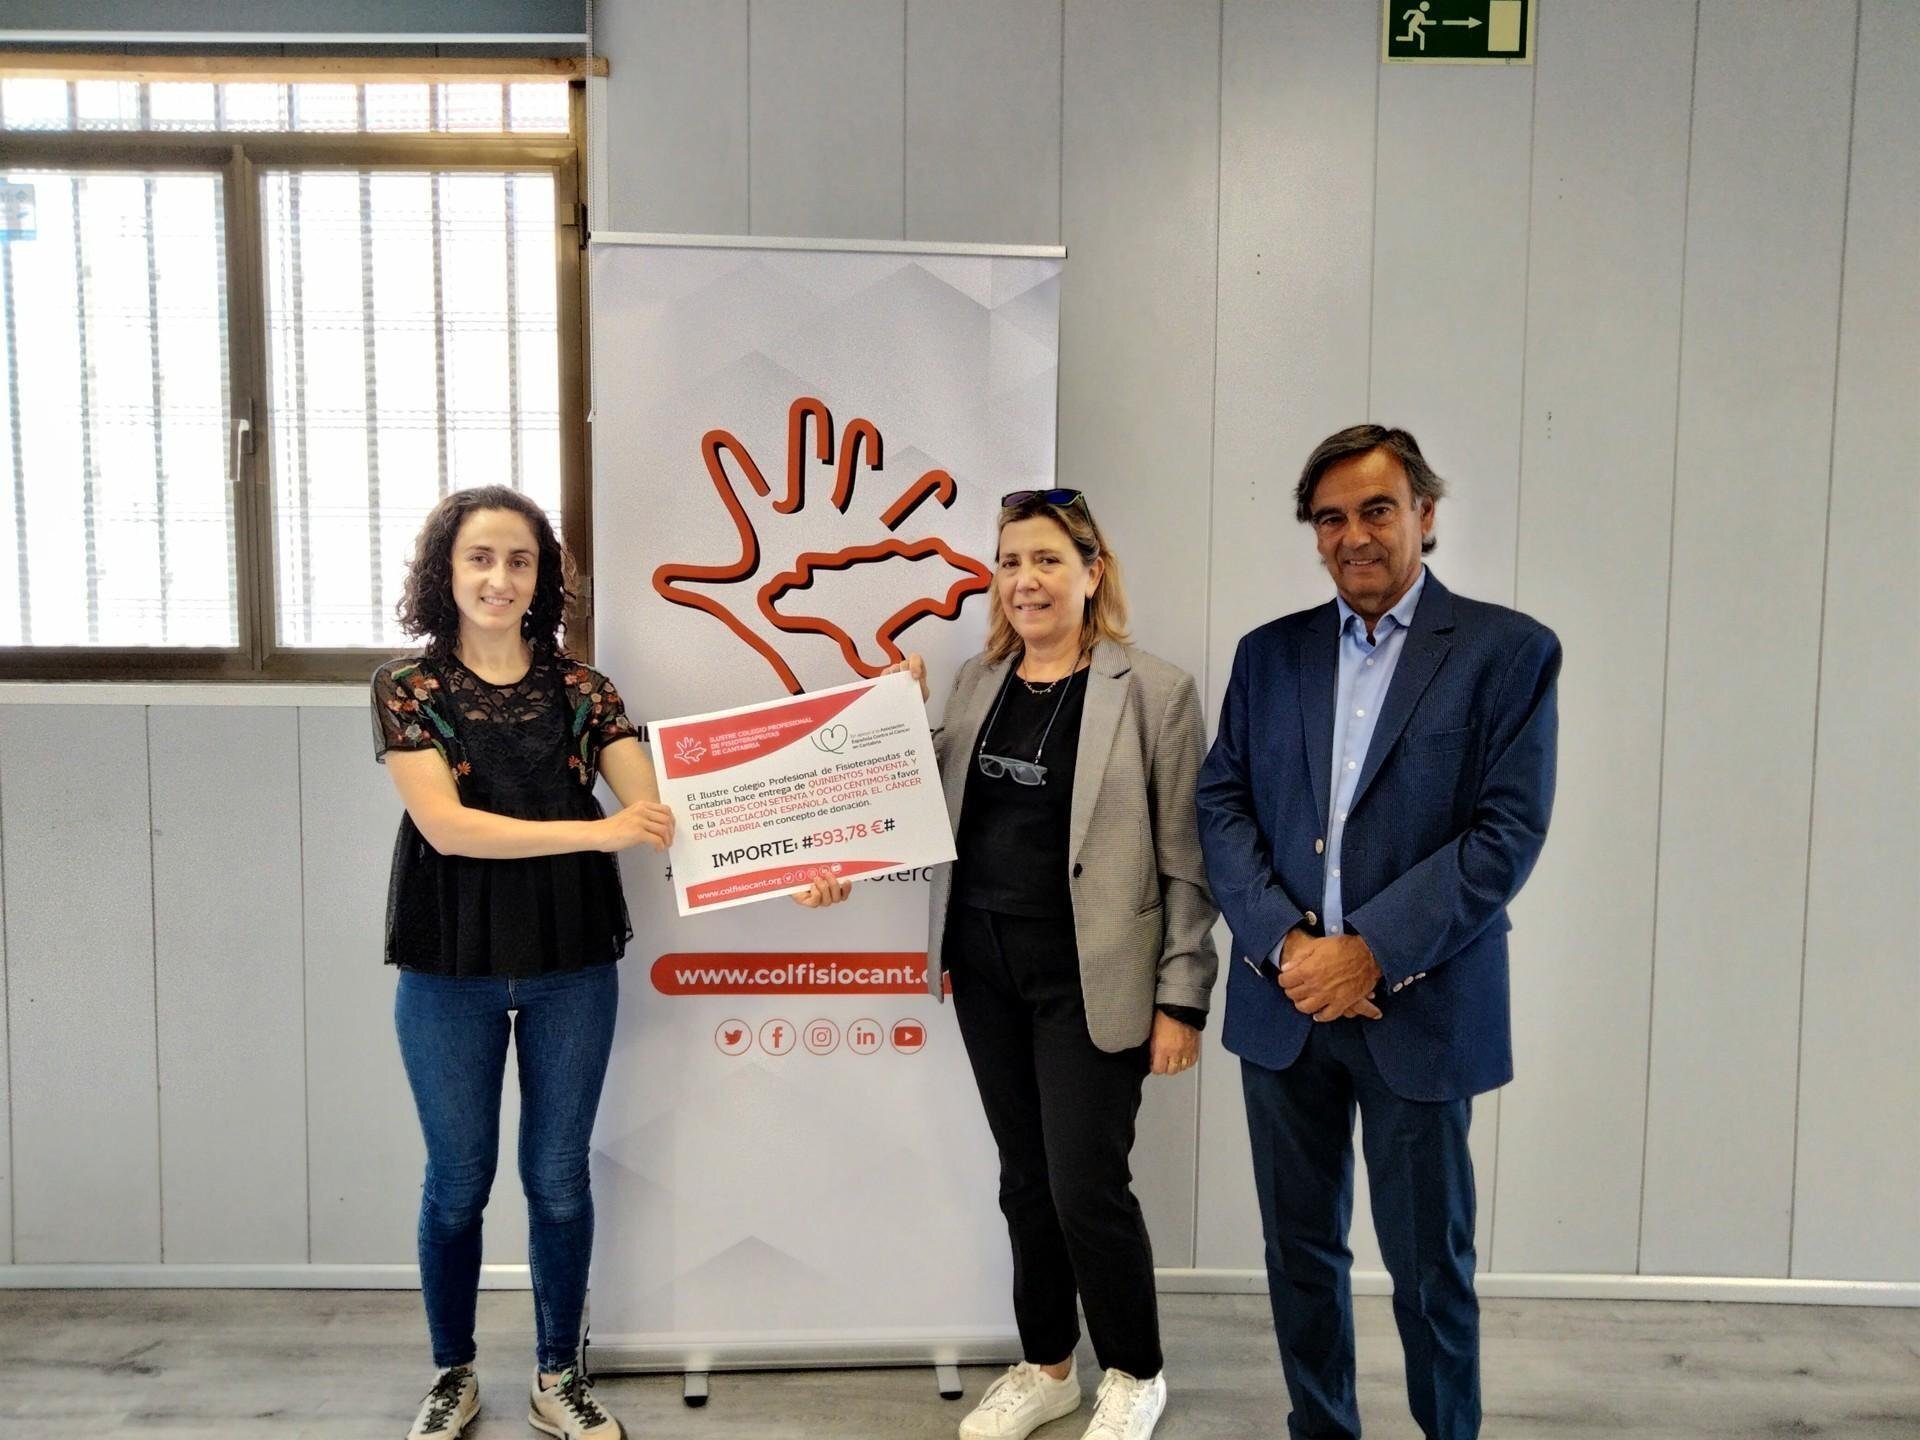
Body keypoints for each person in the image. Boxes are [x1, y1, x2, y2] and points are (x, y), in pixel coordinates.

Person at [811, 488, 1217, 1440]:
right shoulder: (975, 681)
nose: (1025, 581)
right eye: (1010, 563)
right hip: (985, 969)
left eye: (1046, 561)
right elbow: (922, 812)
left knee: (1085, 1184)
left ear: (1092, 573)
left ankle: (1136, 1371)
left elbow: (1188, 863)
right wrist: (846, 824)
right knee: (1025, 1180)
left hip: (1092, 977)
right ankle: (1048, 1367)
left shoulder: (1154, 692)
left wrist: (1183, 999)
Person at [1195, 426, 1560, 1440]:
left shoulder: (1507, 652)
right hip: (1286, 1009)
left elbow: (1506, 833)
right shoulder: (1269, 655)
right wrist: (1288, 947)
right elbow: (1222, 805)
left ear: (1425, 515)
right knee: (1299, 1253)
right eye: (1331, 518)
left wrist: (1371, 953)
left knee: (1431, 1267)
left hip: (1421, 1008)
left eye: (1377, 509)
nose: (1354, 535)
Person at [373, 485, 673, 1440]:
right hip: (448, 961)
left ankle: (557, 1377)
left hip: (571, 958)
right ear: (445, 571)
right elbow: (449, 827)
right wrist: (597, 834)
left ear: (543, 579)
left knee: (558, 1179)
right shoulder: (407, 687)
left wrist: (801, 853)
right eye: (480, 557)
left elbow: (657, 812)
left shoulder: (586, 689)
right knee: (458, 1181)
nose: (500, 578)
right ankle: (452, 1373)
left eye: (520, 560)